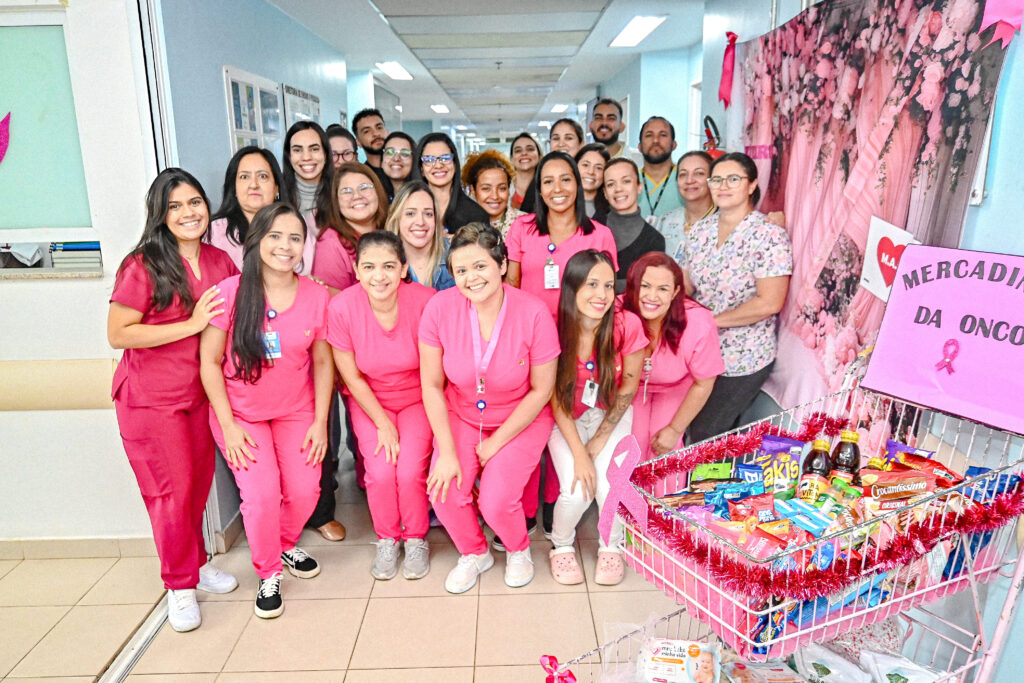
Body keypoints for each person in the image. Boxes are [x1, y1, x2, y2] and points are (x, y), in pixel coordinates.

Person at [108, 168, 240, 633]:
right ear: (161, 215)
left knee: (197, 488)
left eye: (195, 203)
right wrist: (190, 324)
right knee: (170, 494)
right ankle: (179, 587)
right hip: (150, 402)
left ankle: (198, 565)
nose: (189, 213)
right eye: (176, 206)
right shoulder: (143, 264)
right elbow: (118, 333)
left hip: (200, 395)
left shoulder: (220, 260)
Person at [199, 202, 333, 619]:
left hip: (296, 410)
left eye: (295, 238)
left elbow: (324, 362)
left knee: (305, 490)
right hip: (240, 415)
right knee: (260, 496)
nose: (285, 246)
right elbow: (208, 363)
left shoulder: (316, 295)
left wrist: (321, 421)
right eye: (275, 236)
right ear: (257, 240)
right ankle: (269, 570)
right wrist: (228, 426)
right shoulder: (229, 292)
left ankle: (284, 542)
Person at [419, 223, 559, 594]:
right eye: (461, 270)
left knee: (497, 501)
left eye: (480, 266)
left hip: (520, 416)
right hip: (462, 412)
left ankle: (517, 549)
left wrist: (495, 445)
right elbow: (432, 384)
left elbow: (542, 390)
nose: (470, 278)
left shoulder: (534, 312)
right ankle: (474, 552)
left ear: (501, 265)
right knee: (444, 491)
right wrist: (447, 451)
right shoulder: (439, 308)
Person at [328, 231, 436, 580]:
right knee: (379, 471)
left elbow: (436, 372)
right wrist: (383, 424)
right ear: (356, 270)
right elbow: (352, 378)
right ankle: (388, 538)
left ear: (404, 268)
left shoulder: (425, 301)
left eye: (389, 266)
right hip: (369, 398)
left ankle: (416, 537)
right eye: (370, 266)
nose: (380, 275)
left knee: (408, 471)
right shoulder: (342, 307)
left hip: (419, 397)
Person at [547, 249, 647, 586]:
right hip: (566, 417)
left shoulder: (626, 323)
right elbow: (554, 397)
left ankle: (611, 545)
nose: (602, 295)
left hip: (611, 415)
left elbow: (628, 388)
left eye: (608, 285)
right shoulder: (553, 326)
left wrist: (598, 443)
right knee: (578, 490)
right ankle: (560, 545)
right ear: (572, 287)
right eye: (592, 284)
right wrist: (580, 453)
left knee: (610, 485)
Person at [682, 152, 792, 442]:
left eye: (733, 178)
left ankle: (706, 488)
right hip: (698, 349)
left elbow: (770, 302)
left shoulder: (769, 235)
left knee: (707, 431)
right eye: (716, 179)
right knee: (688, 428)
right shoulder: (699, 231)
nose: (723, 185)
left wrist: (709, 322)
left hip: (744, 355)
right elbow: (686, 285)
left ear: (752, 184)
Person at [622, 253, 724, 460]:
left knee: (665, 448)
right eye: (645, 286)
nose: (652, 296)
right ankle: (629, 493)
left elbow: (704, 383)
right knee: (632, 446)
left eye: (663, 289)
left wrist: (676, 429)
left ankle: (664, 494)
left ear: (676, 292)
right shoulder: (617, 312)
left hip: (676, 388)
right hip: (631, 388)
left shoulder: (698, 323)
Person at [506, 151, 619, 318]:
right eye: (548, 181)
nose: (557, 188)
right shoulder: (521, 227)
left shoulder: (601, 235)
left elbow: (608, 294)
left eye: (565, 179)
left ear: (577, 184)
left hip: (583, 334)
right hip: (532, 330)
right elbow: (512, 284)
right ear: (540, 190)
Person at [207, 146, 315, 274]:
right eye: (244, 177)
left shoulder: (295, 224)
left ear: (276, 188)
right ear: (234, 187)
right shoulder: (213, 232)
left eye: (263, 176)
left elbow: (305, 271)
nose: (254, 185)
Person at [311, 161, 388, 295]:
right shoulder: (331, 243)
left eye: (364, 187)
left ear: (378, 191)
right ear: (336, 201)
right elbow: (332, 302)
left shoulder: (393, 227)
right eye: (346, 191)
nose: (357, 196)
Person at [595, 158, 666, 293]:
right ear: (605, 193)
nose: (618, 189)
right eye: (611, 184)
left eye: (626, 181)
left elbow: (649, 286)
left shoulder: (654, 240)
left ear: (639, 187)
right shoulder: (593, 227)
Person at [412, 132, 489, 234]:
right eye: (429, 160)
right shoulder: (407, 209)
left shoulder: (476, 215)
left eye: (445, 158)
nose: (438, 165)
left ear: (455, 164)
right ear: (421, 168)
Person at [385, 180, 454, 290]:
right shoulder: (383, 260)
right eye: (410, 213)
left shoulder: (455, 254)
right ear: (397, 218)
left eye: (428, 214)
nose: (420, 222)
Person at [654, 151, 716, 261]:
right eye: (683, 174)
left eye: (699, 173)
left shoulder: (725, 222)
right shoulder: (663, 222)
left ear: (712, 179)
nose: (689, 180)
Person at [520, 119, 586, 212]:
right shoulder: (541, 176)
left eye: (568, 138)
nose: (561, 144)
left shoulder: (588, 176)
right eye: (556, 138)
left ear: (581, 144)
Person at [462, 148, 524, 237]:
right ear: (473, 190)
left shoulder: (526, 224)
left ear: (509, 189)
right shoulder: (463, 226)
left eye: (502, 188)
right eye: (486, 189)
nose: (495, 196)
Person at [281, 121, 333, 215]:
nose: (306, 157)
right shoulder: (276, 194)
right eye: (297, 150)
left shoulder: (340, 193)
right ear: (289, 156)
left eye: (314, 149)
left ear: (325, 154)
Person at [637, 116, 682, 220]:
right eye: (649, 135)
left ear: (674, 144)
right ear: (639, 146)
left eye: (663, 135)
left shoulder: (686, 179)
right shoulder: (629, 179)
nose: (656, 140)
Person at [352, 108, 394, 198]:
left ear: (387, 132)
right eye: (367, 131)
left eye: (379, 127)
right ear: (358, 142)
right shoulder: (361, 176)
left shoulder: (404, 168)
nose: (375, 133)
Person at [575, 143, 610, 218]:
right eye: (585, 165)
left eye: (598, 168)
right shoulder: (561, 203)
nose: (591, 172)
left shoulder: (612, 210)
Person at [509, 132, 541, 210]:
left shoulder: (546, 186)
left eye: (530, 149)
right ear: (512, 159)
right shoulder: (504, 187)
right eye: (518, 151)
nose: (524, 153)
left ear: (539, 156)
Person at [381, 131, 416, 200]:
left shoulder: (422, 196)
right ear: (381, 161)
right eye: (390, 152)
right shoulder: (375, 195)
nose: (396, 158)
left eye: (404, 153)